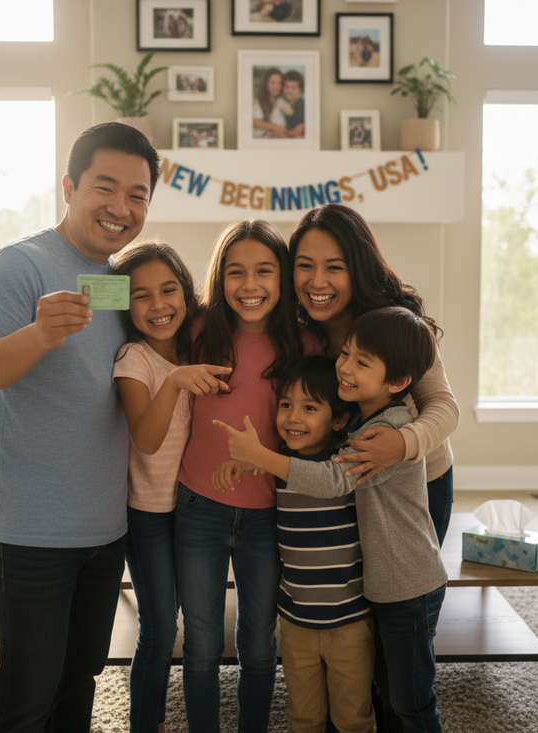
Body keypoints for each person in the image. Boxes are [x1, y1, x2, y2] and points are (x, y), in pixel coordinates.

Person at [0, 121, 159, 733]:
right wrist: (38, 335)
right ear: (69, 187)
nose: (121, 208)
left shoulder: (114, 281)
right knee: (28, 695)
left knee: (79, 682)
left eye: (138, 195)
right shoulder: (18, 266)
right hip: (29, 532)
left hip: (103, 528)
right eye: (106, 187)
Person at [217, 307, 449, 733]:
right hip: (381, 586)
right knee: (381, 690)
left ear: (396, 383)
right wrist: (259, 465)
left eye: (362, 362)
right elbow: (315, 459)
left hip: (408, 584)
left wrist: (260, 456)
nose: (345, 366)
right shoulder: (363, 421)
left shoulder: (384, 432)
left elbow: (332, 479)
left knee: (411, 699)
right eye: (346, 353)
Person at [174, 219, 313, 732]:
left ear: (283, 279)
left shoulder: (304, 346)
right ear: (219, 276)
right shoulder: (196, 333)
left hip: (270, 517)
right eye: (236, 273)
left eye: (263, 271)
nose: (249, 286)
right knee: (202, 645)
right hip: (198, 509)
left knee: (259, 646)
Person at [110, 242, 233, 733]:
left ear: (187, 293)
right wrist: (176, 381)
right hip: (147, 514)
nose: (158, 305)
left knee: (198, 623)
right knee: (160, 627)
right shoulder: (132, 359)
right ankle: (148, 723)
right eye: (142, 296)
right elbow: (146, 437)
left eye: (169, 290)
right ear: (126, 305)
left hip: (195, 508)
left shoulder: (198, 347)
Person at [214, 355, 373, 732]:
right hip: (297, 623)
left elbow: (320, 478)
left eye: (309, 407)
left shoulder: (345, 461)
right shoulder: (280, 461)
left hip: (348, 624)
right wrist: (239, 463)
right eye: (286, 405)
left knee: (352, 718)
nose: (293, 417)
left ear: (337, 419)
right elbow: (269, 466)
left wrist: (259, 458)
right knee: (303, 716)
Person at [288, 203, 460, 547]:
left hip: (418, 479)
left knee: (410, 593)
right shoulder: (299, 334)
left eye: (334, 267)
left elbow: (444, 406)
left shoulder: (396, 327)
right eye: (304, 266)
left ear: (359, 270)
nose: (316, 281)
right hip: (347, 480)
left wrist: (401, 444)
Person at [253, 68, 288, 139]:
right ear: (266, 84)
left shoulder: (282, 101)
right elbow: (255, 122)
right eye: (273, 83)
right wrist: (277, 128)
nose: (276, 86)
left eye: (279, 83)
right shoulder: (258, 101)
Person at [280, 70, 306, 139]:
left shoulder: (303, 105)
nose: (289, 91)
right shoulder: (283, 102)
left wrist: (277, 131)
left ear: (300, 90)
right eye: (286, 87)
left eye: (293, 88)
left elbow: (295, 132)